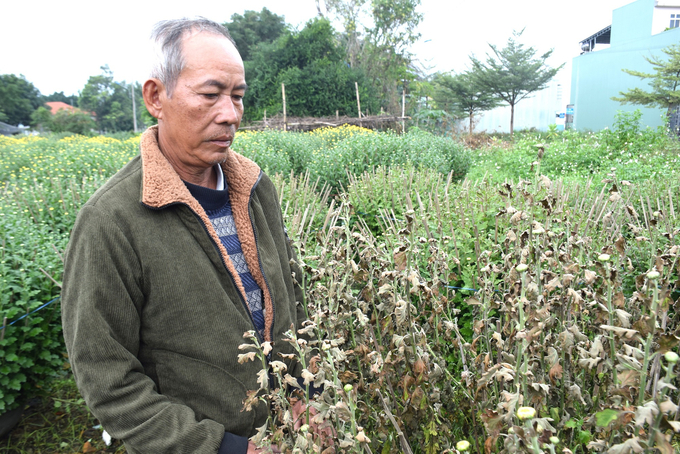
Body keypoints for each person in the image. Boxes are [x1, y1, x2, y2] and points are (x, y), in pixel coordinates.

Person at [61, 18, 308, 454]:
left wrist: (307, 395)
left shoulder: (255, 188)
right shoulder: (111, 221)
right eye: (211, 94)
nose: (230, 114)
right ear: (157, 97)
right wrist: (227, 449)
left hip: (290, 435)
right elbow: (108, 380)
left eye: (238, 96)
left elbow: (291, 298)